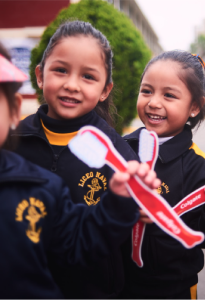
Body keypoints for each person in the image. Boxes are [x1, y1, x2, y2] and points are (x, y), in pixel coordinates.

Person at [0, 42, 161, 298]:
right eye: (61, 70)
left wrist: (123, 204)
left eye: (88, 76)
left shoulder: (41, 185)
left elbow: (79, 239)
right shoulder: (17, 142)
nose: (72, 85)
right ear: (40, 76)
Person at [121, 50, 205, 299]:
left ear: (194, 106)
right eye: (147, 90)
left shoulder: (202, 169)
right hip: (118, 284)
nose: (153, 102)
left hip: (174, 290)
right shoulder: (120, 150)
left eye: (168, 95)